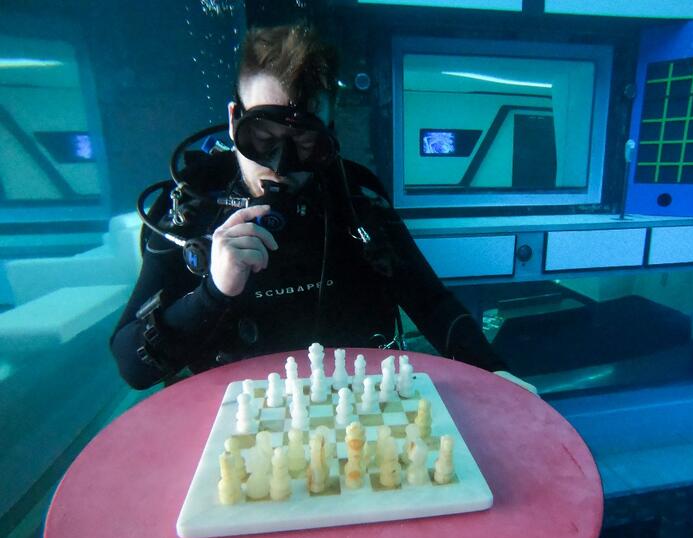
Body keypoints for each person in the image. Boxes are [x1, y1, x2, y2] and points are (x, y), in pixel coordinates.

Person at [110, 24, 520, 391]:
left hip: (358, 415)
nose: (281, 166)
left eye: (305, 144)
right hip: (237, 430)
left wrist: (494, 371)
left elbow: (431, 302)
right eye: (263, 139)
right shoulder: (193, 207)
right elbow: (132, 367)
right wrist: (213, 292)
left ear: (330, 135)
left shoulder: (355, 199)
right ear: (235, 120)